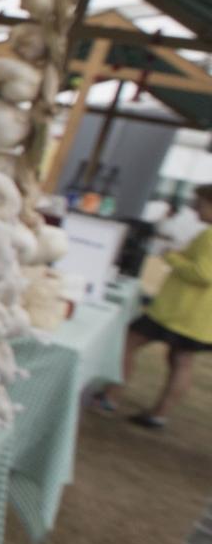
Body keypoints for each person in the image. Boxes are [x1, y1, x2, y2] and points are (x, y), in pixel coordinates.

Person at [99, 183, 212, 428]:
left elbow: (203, 274)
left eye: (201, 204)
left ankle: (111, 395)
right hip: (199, 317)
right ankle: (159, 414)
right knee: (181, 361)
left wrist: (171, 256)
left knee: (128, 342)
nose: (195, 209)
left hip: (176, 310)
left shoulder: (209, 236)